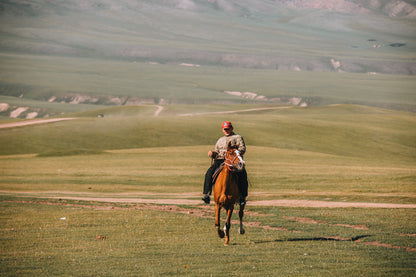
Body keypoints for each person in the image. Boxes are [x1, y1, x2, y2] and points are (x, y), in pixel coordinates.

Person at [202, 121, 248, 205]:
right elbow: (216, 151)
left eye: (228, 129)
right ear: (223, 129)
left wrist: (233, 153)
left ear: (232, 128)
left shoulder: (237, 137)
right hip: (221, 160)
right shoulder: (220, 140)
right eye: (225, 129)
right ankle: (207, 194)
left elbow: (242, 149)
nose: (226, 130)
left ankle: (242, 197)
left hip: (233, 160)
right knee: (209, 172)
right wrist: (212, 153)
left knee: (242, 174)